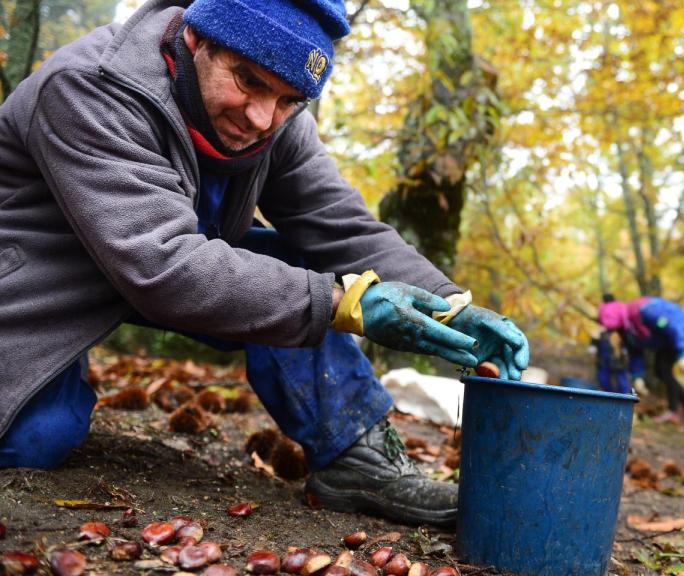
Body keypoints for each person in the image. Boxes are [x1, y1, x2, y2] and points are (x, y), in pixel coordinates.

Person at [0, 0, 529, 527]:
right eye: (247, 80)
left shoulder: (278, 118)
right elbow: (162, 264)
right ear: (194, 39)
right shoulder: (89, 87)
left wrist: (452, 306)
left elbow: (340, 224)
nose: (260, 118)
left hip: (151, 264)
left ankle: (356, 457)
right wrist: (344, 304)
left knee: (311, 262)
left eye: (287, 100)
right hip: (37, 284)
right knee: (38, 437)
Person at [598, 294, 684, 422]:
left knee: (663, 370)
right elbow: (635, 352)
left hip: (679, 330)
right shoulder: (625, 329)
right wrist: (637, 376)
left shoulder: (645, 311)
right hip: (665, 339)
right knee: (661, 371)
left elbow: (673, 328)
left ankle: (675, 411)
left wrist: (682, 354)